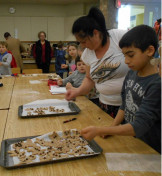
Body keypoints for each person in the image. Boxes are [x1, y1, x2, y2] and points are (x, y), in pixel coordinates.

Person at [80, 25, 161, 153]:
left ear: (150, 51)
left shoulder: (156, 85)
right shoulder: (131, 73)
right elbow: (124, 105)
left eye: (131, 55)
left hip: (150, 149)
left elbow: (139, 126)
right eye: (124, 55)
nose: (126, 61)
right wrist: (112, 126)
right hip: (132, 141)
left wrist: (100, 130)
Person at [66, 7, 129, 117]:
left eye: (84, 42)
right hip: (105, 105)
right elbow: (89, 78)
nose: (82, 46)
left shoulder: (119, 37)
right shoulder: (87, 54)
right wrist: (77, 91)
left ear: (95, 33)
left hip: (129, 105)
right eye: (80, 43)